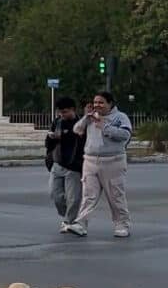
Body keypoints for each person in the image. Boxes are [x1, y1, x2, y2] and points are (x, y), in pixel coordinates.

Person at [65, 92, 133, 238]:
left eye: (101, 102)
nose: (97, 105)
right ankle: (81, 224)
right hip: (90, 161)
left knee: (116, 196)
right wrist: (85, 117)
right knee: (88, 195)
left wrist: (105, 127)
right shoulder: (91, 117)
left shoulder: (120, 117)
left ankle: (122, 225)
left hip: (113, 161)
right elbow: (77, 130)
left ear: (110, 104)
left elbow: (125, 135)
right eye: (95, 102)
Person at [45, 97, 85, 233]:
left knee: (73, 198)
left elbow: (79, 140)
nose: (63, 115)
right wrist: (51, 138)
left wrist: (62, 137)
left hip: (74, 166)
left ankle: (69, 222)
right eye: (60, 112)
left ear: (73, 110)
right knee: (55, 195)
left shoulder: (81, 123)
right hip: (57, 164)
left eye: (65, 112)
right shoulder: (57, 122)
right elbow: (48, 144)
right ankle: (68, 216)